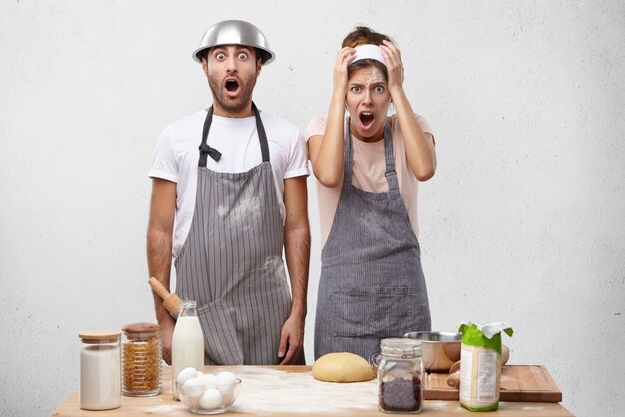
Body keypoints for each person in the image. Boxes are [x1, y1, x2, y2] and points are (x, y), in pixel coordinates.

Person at [147, 20, 310, 366]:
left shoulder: (286, 136)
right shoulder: (177, 137)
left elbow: (297, 227)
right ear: (205, 66)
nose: (231, 65)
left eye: (243, 56)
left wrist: (298, 313)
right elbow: (159, 231)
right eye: (220, 56)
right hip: (196, 323)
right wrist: (164, 322)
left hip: (271, 322)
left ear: (259, 66)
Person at [307, 27, 436, 360]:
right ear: (345, 93)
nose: (367, 100)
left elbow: (424, 169)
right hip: (342, 317)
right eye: (356, 89)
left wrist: (398, 87)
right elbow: (329, 175)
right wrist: (336, 93)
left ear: (390, 94)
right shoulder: (323, 128)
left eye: (378, 88)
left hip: (404, 312)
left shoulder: (408, 127)